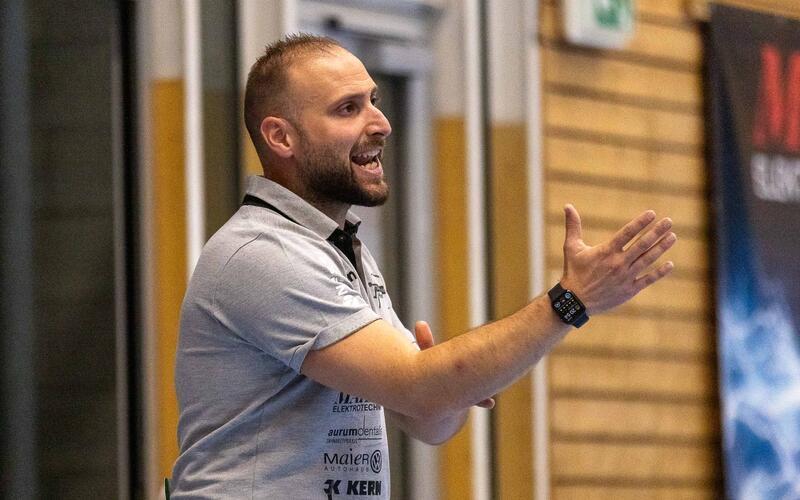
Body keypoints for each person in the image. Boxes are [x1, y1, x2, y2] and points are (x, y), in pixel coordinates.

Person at [169, 33, 677, 499]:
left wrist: (454, 384)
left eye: (374, 101)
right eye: (348, 108)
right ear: (281, 138)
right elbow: (418, 386)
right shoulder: (265, 253)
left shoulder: (337, 248)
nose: (381, 123)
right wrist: (569, 301)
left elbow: (428, 419)